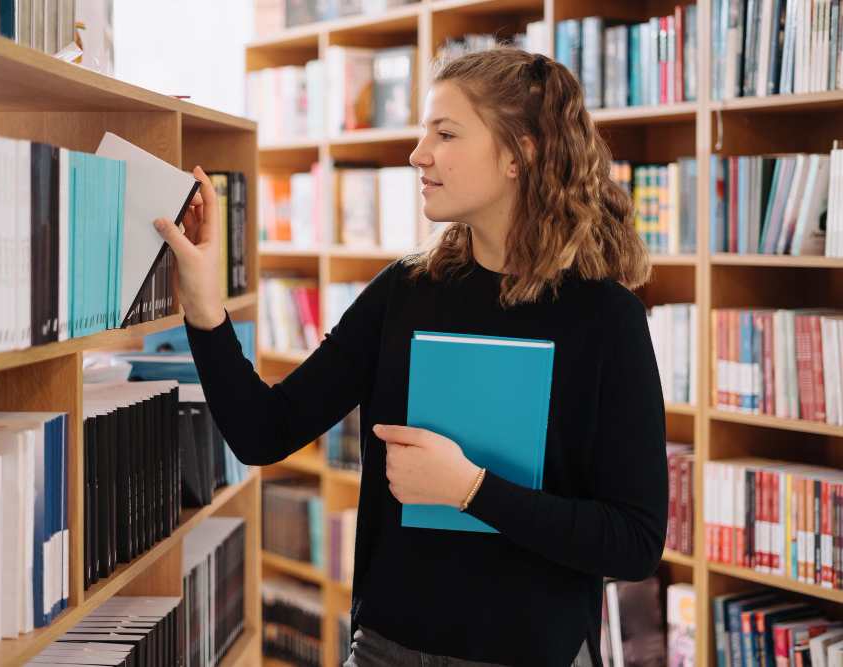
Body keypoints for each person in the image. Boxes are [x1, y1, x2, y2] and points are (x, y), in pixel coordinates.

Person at [153, 47, 668, 667]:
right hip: (385, 649)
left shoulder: (606, 318)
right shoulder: (405, 290)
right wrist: (205, 309)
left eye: (445, 134)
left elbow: (635, 542)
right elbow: (265, 432)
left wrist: (470, 489)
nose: (418, 154)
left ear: (520, 154)